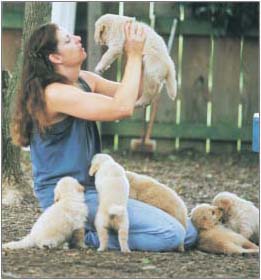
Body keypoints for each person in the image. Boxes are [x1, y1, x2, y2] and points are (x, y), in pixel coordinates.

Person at [11, 22, 197, 252]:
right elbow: (122, 108)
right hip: (69, 199)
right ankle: (83, 236)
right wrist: (134, 55)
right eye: (68, 40)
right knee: (171, 233)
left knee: (188, 233)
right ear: (55, 58)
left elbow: (135, 93)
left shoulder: (85, 80)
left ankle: (101, 227)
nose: (78, 38)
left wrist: (146, 51)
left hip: (96, 189)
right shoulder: (55, 94)